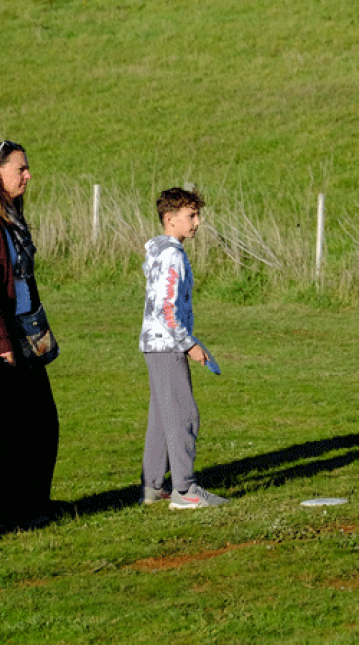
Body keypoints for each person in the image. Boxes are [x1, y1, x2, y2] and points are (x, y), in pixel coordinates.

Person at [0, 141, 61, 531]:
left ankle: (32, 504)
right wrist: (1, 346)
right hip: (3, 339)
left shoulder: (10, 217)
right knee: (11, 430)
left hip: (26, 333)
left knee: (40, 424)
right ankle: (8, 515)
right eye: (20, 169)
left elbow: (22, 281)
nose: (28, 176)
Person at [139, 187, 228, 510]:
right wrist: (190, 345)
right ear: (169, 218)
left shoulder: (160, 251)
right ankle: (185, 490)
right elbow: (167, 309)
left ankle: (153, 487)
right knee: (183, 415)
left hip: (157, 344)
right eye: (191, 216)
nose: (198, 222)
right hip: (167, 345)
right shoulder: (172, 254)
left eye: (197, 215)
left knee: (162, 417)